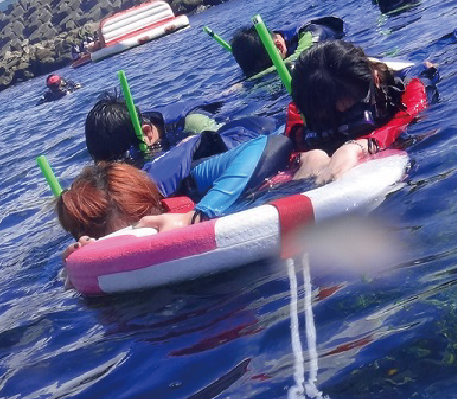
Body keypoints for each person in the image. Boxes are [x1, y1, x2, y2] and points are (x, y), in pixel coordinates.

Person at [57, 129, 294, 241]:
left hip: (245, 134)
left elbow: (272, 143)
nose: (146, 230)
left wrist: (198, 215)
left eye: (142, 222)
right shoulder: (89, 240)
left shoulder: (186, 185)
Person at [284, 39, 431, 185]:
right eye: (327, 116)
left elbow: (403, 121)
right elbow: (291, 148)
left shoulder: (410, 89)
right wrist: (303, 158)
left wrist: (361, 146)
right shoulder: (304, 107)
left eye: (353, 111)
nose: (341, 119)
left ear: (375, 80)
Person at [84, 91, 223, 162]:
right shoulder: (122, 137)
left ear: (147, 132)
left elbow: (223, 145)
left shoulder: (194, 123)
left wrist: (191, 145)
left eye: (126, 159)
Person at [231, 16, 345, 78]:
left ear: (279, 46)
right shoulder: (272, 45)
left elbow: (302, 55)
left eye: (269, 64)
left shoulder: (311, 31)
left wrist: (254, 79)